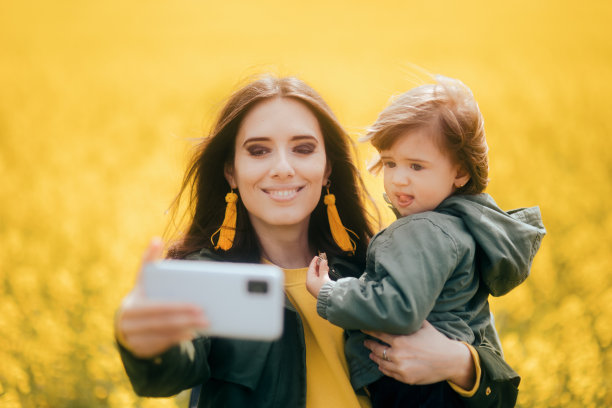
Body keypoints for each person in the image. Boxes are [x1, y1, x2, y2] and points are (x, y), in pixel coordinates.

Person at [115, 75, 524, 407]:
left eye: (303, 149)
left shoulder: (379, 266)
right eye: (258, 151)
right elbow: (170, 370)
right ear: (230, 172)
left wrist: (459, 364)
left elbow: (502, 390)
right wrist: (144, 341)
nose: (282, 168)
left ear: (327, 168)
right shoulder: (210, 277)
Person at [306, 75, 546, 407]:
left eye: (417, 166)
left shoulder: (425, 231)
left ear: (460, 172)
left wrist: (330, 293)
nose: (398, 178)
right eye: (390, 163)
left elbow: (398, 308)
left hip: (417, 389)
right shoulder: (464, 225)